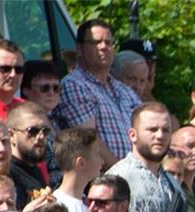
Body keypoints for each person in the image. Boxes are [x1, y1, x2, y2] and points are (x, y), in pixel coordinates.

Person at [55, 19, 140, 159]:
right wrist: (122, 175)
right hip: (103, 177)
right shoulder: (74, 85)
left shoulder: (125, 90)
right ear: (79, 48)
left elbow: (145, 131)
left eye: (108, 42)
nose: (103, 47)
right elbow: (89, 141)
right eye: (96, 42)